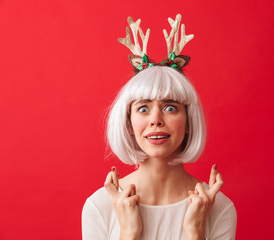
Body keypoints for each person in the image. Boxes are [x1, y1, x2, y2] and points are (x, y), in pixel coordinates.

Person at [82, 14, 236, 240]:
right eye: (143, 109)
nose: (156, 119)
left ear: (189, 124)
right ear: (129, 124)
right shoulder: (100, 206)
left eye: (170, 108)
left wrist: (196, 232)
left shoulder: (217, 206)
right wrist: (129, 232)